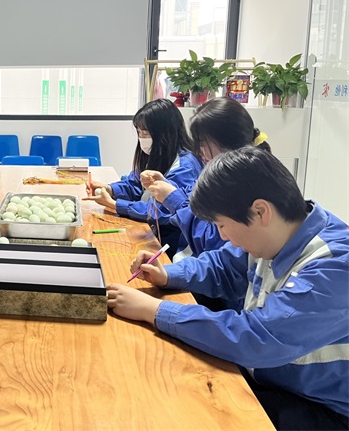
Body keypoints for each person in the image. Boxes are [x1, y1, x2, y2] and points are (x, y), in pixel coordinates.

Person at [107, 147, 349, 431]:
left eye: (222, 225)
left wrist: (155, 310)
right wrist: (166, 275)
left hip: (322, 408)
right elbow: (223, 265)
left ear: (260, 211)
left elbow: (258, 337)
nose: (223, 236)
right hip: (273, 378)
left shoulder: (333, 266)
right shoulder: (279, 232)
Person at [141, 97, 272, 261]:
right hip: (191, 264)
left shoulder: (242, 186)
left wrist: (174, 200)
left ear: (226, 142)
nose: (199, 151)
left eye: (203, 143)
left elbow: (212, 244)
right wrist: (167, 187)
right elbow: (191, 196)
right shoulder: (218, 175)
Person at [85, 98, 202, 253]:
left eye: (145, 134)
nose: (142, 139)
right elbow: (134, 183)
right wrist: (110, 189)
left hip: (170, 243)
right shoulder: (156, 153)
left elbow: (162, 212)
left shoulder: (185, 167)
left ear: (164, 134)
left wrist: (114, 204)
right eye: (139, 133)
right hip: (150, 232)